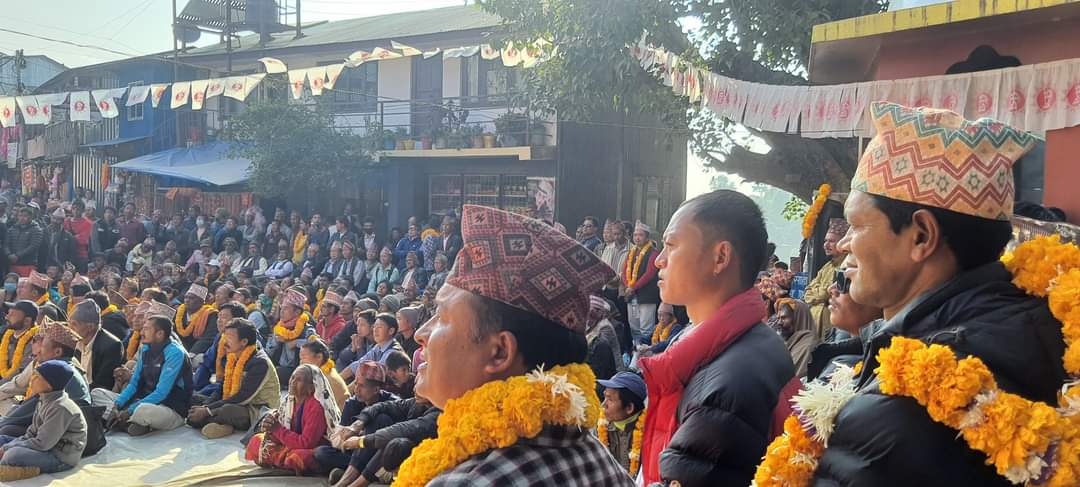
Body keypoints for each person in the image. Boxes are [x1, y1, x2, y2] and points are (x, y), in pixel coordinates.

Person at [811, 102, 1066, 485]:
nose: (844, 243)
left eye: (856, 225)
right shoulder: (1027, 332)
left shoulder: (904, 412)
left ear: (921, 236)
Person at [409, 205, 632, 486]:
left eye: (442, 317)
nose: (420, 334)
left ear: (500, 352)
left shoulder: (468, 481)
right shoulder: (598, 457)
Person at [638, 190, 797, 487]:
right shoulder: (747, 341)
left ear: (720, 257)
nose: (659, 261)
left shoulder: (727, 389)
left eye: (671, 245)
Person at [100, 315, 194, 436]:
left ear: (159, 334)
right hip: (144, 400)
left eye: (146, 329)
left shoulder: (175, 353)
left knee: (143, 411)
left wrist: (129, 410)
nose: (142, 332)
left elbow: (162, 393)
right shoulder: (145, 349)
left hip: (170, 407)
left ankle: (127, 421)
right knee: (98, 394)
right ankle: (128, 423)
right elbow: (134, 383)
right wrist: (116, 405)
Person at [187, 318, 280, 439]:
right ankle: (216, 421)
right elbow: (222, 387)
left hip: (256, 409)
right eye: (225, 336)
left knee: (227, 410)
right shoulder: (233, 356)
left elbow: (243, 397)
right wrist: (205, 405)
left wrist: (207, 410)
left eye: (229, 338)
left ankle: (221, 424)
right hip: (234, 401)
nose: (225, 341)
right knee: (194, 398)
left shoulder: (260, 363)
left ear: (244, 342)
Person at [0, 319, 90, 439]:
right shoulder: (62, 366)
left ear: (57, 352)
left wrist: (5, 422)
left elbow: (32, 407)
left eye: (42, 346)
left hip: (63, 436)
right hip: (53, 424)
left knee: (7, 430)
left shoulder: (58, 372)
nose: (38, 350)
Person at [244, 364, 341, 474]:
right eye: (293, 377)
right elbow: (281, 432)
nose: (292, 382)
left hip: (310, 448)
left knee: (301, 456)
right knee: (256, 440)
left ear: (311, 387)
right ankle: (285, 462)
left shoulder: (316, 407)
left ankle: (281, 461)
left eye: (299, 380)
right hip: (290, 445)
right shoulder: (289, 401)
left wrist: (277, 429)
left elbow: (306, 443)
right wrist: (270, 429)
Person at [0, 360, 87, 482]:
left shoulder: (60, 407)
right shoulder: (44, 400)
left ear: (50, 384)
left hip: (60, 456)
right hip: (44, 447)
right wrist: (7, 446)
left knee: (12, 455)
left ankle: (18, 469)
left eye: (37, 377)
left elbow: (42, 444)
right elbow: (31, 433)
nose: (32, 379)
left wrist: (7, 449)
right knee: (2, 439)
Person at [324, 396, 439, 487]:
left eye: (422, 379)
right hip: (380, 460)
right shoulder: (416, 403)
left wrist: (360, 441)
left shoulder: (440, 410)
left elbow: (405, 430)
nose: (415, 387)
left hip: (419, 464)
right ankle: (348, 479)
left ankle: (356, 483)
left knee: (395, 441)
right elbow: (381, 406)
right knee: (380, 419)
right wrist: (358, 424)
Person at [802, 218, 848, 341]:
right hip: (814, 324)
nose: (826, 245)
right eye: (825, 241)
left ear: (843, 242)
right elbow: (807, 293)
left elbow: (827, 294)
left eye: (831, 241)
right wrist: (821, 293)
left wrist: (818, 292)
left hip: (832, 326)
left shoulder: (847, 265)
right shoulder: (827, 267)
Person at [597, 371, 647, 478]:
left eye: (610, 399)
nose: (603, 404)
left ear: (629, 408)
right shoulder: (599, 428)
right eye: (604, 397)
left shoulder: (648, 433)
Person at [191, 301, 245, 396]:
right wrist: (196, 386)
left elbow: (236, 376)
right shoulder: (220, 337)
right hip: (218, 381)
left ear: (237, 320)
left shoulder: (245, 341)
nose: (219, 320)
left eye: (224, 317)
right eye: (219, 316)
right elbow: (207, 362)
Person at [69, 300, 123, 392]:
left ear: (90, 327)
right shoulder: (73, 341)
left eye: (74, 324)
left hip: (96, 393)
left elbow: (103, 384)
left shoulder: (112, 346)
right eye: (69, 323)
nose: (70, 328)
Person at [267, 288, 316, 387]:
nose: (281, 312)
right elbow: (269, 352)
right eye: (281, 308)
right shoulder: (280, 328)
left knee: (275, 373)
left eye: (285, 309)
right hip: (278, 366)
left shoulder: (306, 329)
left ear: (297, 312)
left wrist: (296, 342)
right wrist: (276, 341)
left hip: (297, 370)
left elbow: (315, 344)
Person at [623, 221, 660, 345]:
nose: (637, 238)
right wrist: (627, 285)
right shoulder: (631, 252)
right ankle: (636, 350)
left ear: (647, 237)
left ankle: (645, 351)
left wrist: (633, 287)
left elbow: (649, 274)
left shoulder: (653, 253)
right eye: (635, 235)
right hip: (632, 296)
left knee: (646, 328)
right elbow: (624, 271)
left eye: (640, 235)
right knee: (634, 327)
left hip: (646, 296)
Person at [343, 314, 402, 382]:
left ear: (391, 331)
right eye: (374, 327)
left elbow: (373, 373)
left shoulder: (393, 352)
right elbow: (358, 364)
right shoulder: (378, 346)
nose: (375, 330)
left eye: (379, 327)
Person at [774, 298, 817, 378]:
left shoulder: (806, 347)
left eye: (784, 318)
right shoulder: (787, 342)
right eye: (778, 318)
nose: (779, 322)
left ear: (799, 318)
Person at [300, 339, 348, 410]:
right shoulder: (317, 373)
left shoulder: (327, 379)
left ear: (319, 357)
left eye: (304, 358)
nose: (301, 362)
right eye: (300, 358)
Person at [0, 301, 40, 386]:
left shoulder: (35, 341)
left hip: (15, 387)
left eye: (12, 315)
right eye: (8, 313)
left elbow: (20, 373)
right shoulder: (7, 334)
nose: (6, 317)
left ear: (27, 321)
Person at [176, 283, 219, 355]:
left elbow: (208, 337)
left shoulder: (211, 314)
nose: (187, 300)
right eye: (186, 297)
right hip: (178, 350)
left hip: (197, 352)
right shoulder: (179, 312)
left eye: (191, 298)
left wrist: (192, 353)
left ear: (201, 301)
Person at [6, 207, 43, 277]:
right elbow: (6, 244)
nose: (22, 218)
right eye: (20, 215)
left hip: (28, 264)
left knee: (25, 283)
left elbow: (33, 246)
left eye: (25, 216)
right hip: (13, 263)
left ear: (31, 217)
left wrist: (18, 255)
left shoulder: (36, 229)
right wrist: (9, 254)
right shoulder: (12, 228)